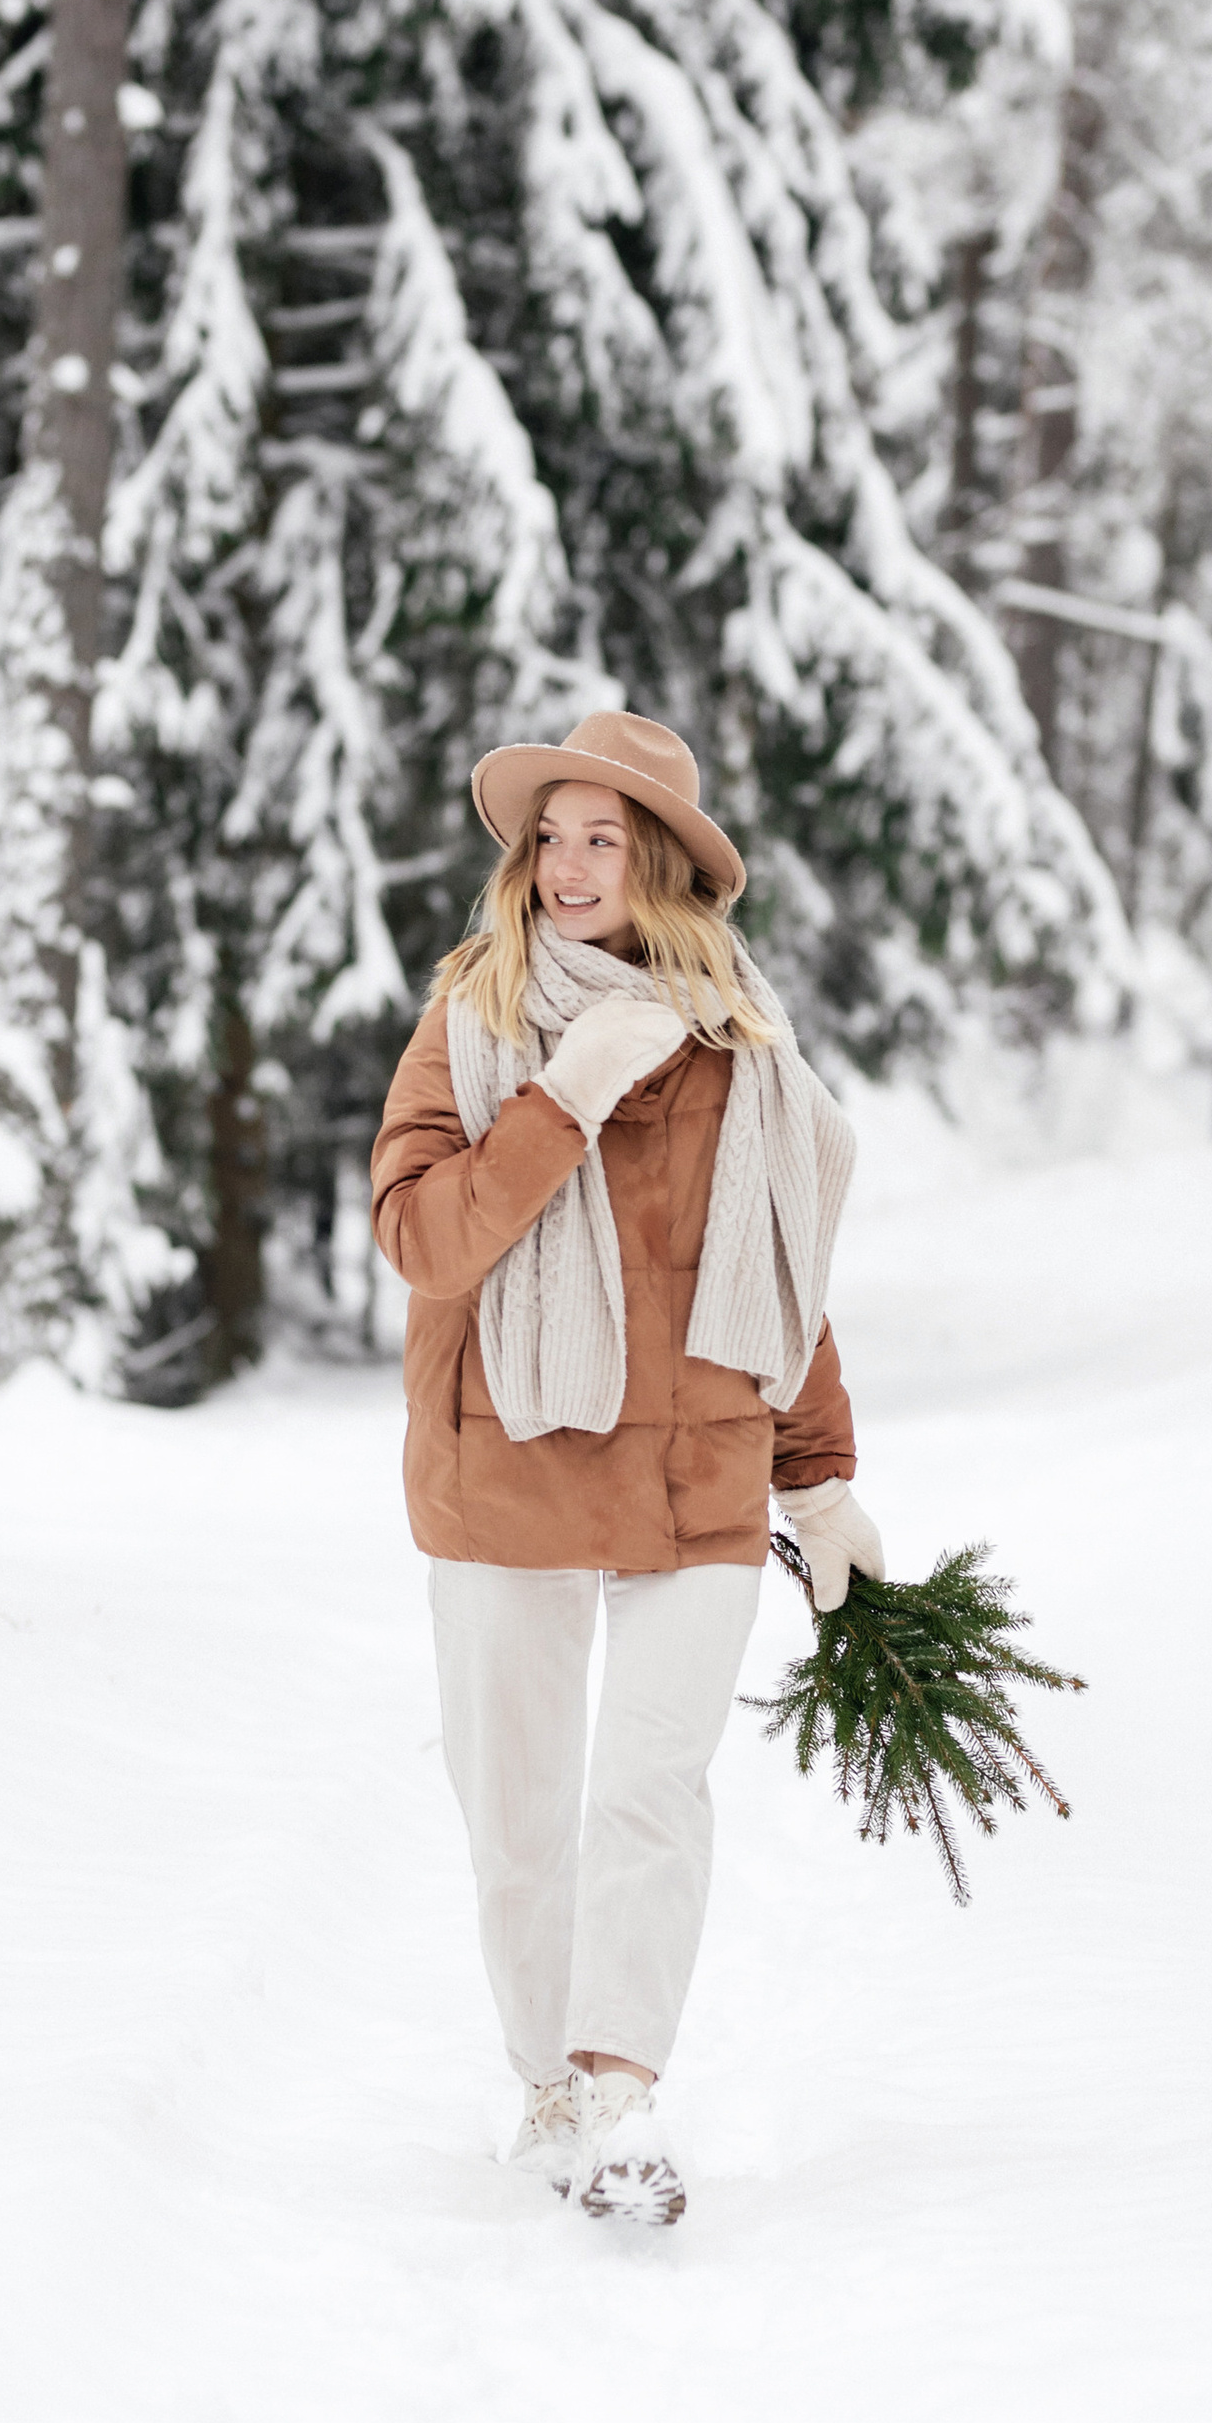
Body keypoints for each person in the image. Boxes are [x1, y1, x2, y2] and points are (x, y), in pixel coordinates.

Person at [370, 712, 884, 2225]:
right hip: (506, 1461)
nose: (570, 865)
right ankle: (546, 2087)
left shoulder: (742, 1046)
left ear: (661, 863)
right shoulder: (475, 1019)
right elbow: (423, 1237)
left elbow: (777, 1275)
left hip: (693, 1471)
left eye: (604, 838)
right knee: (519, 1813)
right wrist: (563, 1100)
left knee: (651, 1792)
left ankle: (617, 2100)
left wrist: (821, 1480)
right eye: (552, 837)